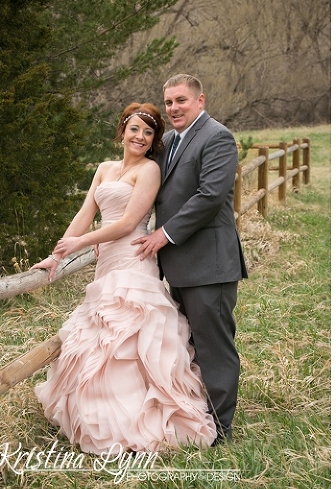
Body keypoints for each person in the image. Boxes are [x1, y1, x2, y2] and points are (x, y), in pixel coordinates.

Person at [32, 103, 217, 455]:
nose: (141, 137)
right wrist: (57, 255)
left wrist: (83, 243)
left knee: (128, 337)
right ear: (122, 130)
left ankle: (137, 419)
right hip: (108, 262)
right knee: (101, 336)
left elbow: (129, 222)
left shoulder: (149, 171)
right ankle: (96, 412)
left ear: (152, 141)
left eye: (148, 133)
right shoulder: (104, 169)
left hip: (133, 258)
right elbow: (86, 213)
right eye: (135, 129)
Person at [133, 74, 248, 444]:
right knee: (188, 343)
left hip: (208, 264)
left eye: (180, 100)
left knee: (214, 346)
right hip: (179, 265)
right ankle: (196, 416)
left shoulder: (217, 137)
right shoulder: (168, 141)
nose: (173, 108)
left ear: (200, 100)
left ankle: (222, 429)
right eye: (168, 102)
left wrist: (163, 234)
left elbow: (210, 195)